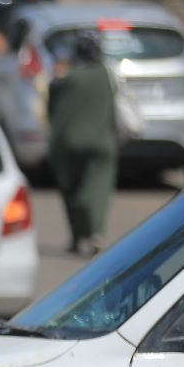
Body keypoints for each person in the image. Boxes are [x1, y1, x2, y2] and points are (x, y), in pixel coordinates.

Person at [47, 33, 117, 256]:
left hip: (66, 143)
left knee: (71, 189)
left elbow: (51, 107)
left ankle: (77, 237)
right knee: (97, 187)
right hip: (101, 143)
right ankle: (95, 231)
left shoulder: (66, 79)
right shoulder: (106, 75)